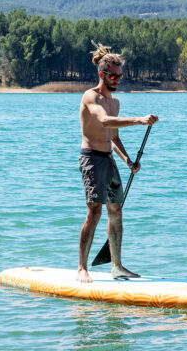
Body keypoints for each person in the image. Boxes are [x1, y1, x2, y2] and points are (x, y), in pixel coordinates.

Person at [77, 42, 158, 283]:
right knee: (95, 212)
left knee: (116, 210)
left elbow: (113, 137)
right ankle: (82, 268)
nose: (118, 79)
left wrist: (128, 161)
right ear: (102, 74)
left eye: (120, 76)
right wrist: (139, 120)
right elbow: (103, 122)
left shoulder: (115, 101)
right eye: (114, 75)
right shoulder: (90, 96)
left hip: (109, 160)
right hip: (91, 159)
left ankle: (117, 266)